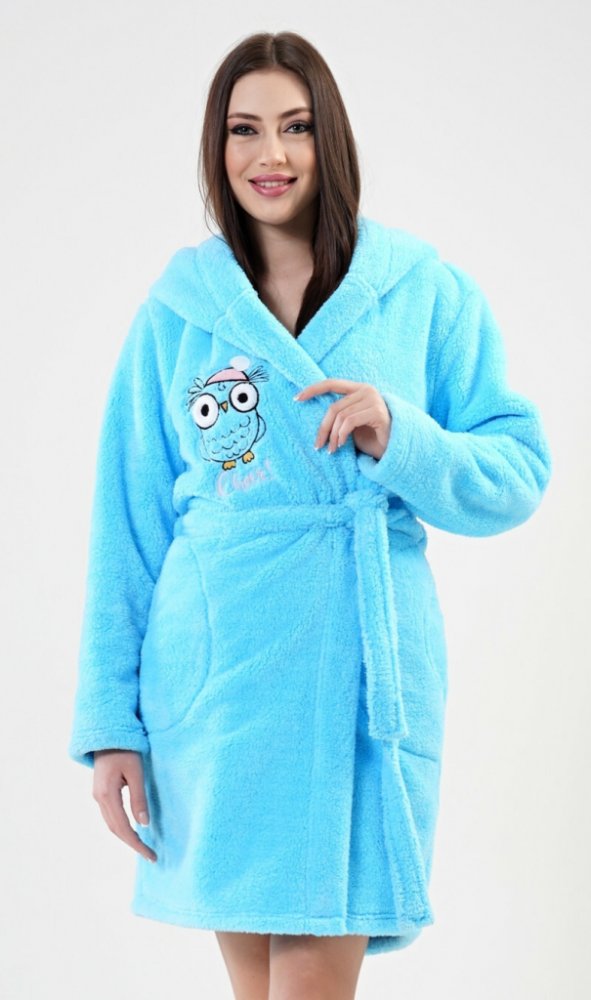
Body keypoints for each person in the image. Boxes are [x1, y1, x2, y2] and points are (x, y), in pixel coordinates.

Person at [67, 29, 553, 1000]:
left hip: (356, 682)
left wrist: (400, 433)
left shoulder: (419, 290)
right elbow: (126, 526)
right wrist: (111, 724)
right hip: (220, 684)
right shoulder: (179, 311)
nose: (271, 155)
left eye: (295, 127)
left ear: (331, 138)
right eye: (243, 130)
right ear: (217, 148)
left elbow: (517, 471)